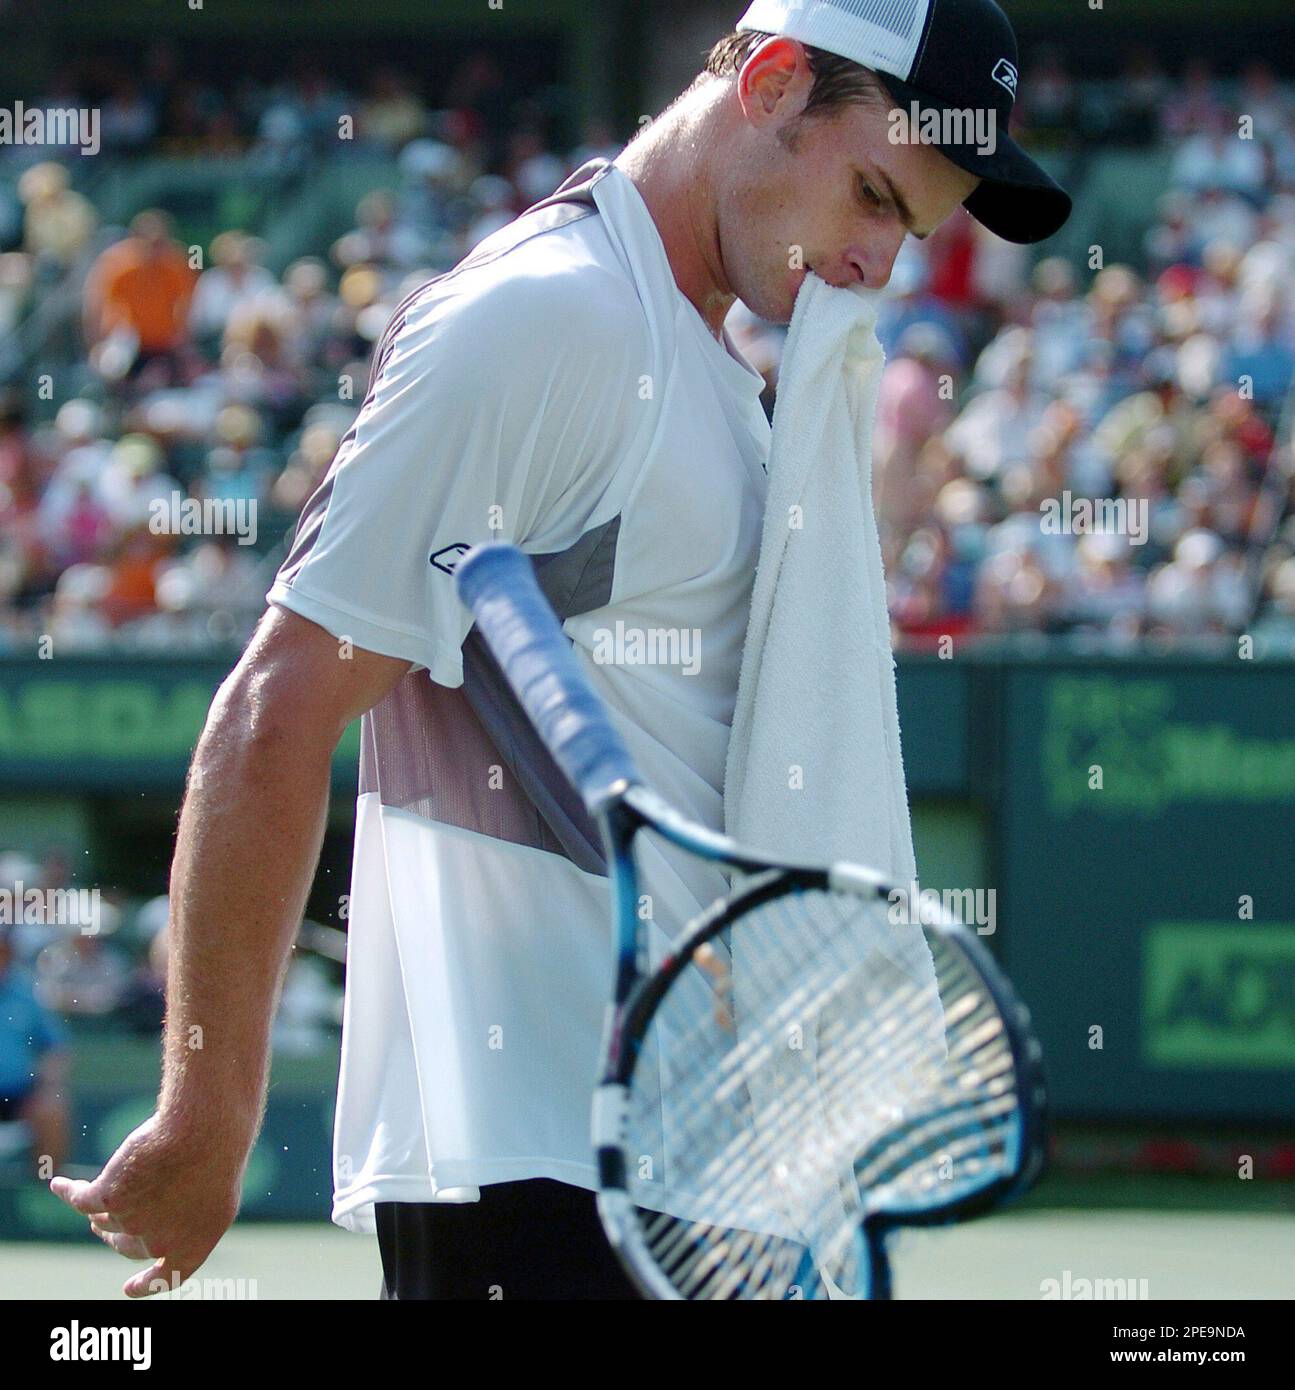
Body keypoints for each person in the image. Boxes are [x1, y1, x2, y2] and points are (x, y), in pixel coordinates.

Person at [53, 0, 1069, 1299]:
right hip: (545, 1163)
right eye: (871, 194)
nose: (876, 258)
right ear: (765, 82)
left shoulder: (696, 359)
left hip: (672, 1158)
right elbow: (278, 706)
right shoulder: (555, 320)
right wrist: (208, 1115)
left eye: (907, 229)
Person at [0, 924, 70, 1178]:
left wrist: (47, 1084)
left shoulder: (26, 993)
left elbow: (54, 1048)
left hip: (20, 1096)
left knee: (51, 1108)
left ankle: (45, 1186)